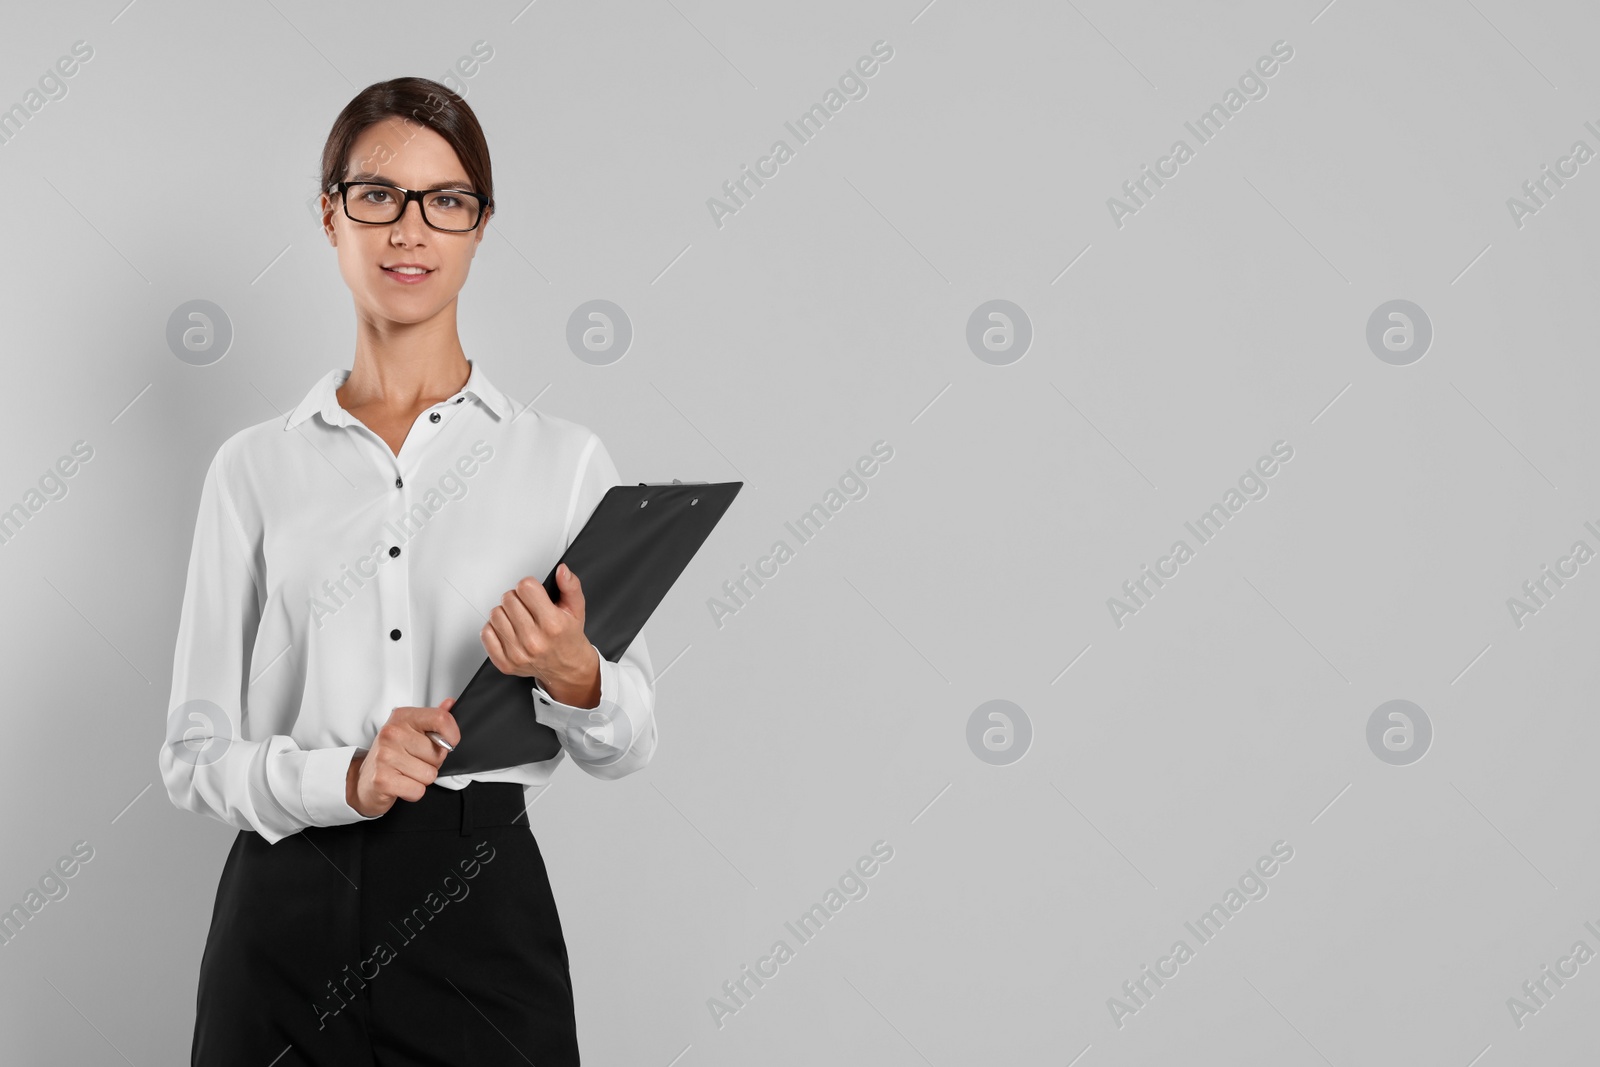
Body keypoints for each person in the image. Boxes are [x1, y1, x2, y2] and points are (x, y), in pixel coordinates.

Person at [158, 76, 657, 1066]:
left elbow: (629, 736)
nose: (409, 230)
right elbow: (192, 751)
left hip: (479, 897)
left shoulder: (559, 461)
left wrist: (572, 674)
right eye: (377, 195)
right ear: (330, 214)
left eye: (446, 200)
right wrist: (343, 773)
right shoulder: (254, 467)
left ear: (478, 226)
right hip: (286, 902)